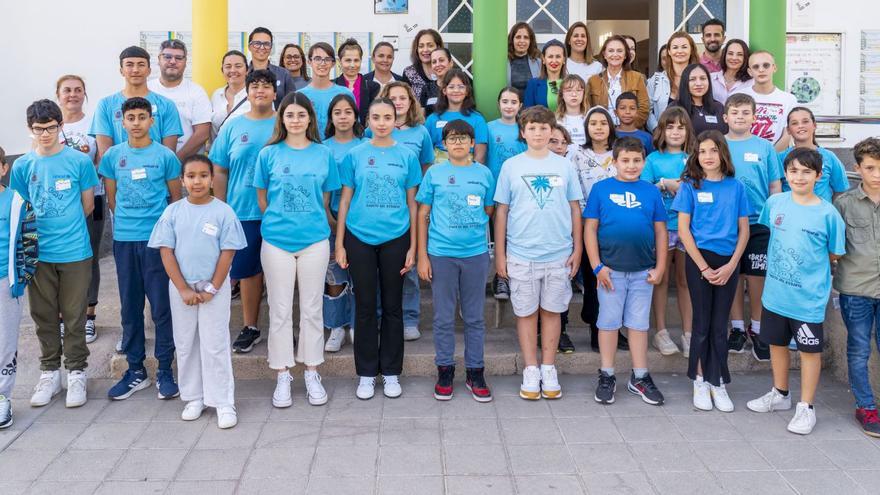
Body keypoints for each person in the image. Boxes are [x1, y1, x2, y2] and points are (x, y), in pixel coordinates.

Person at [747, 147, 846, 435]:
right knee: (776, 344)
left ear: (818, 175)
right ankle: (780, 393)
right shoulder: (775, 203)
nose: (799, 176)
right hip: (775, 294)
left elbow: (834, 254)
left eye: (806, 171)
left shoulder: (828, 214)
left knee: (808, 351)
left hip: (808, 299)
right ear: (786, 174)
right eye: (793, 171)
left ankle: (806, 406)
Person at [254, 92, 341, 408]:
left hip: (315, 240)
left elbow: (328, 198)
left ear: (310, 119)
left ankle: (312, 371)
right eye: (289, 115)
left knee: (312, 307)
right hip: (276, 240)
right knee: (278, 309)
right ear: (282, 119)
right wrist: (279, 220)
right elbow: (262, 198)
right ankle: (282, 375)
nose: (295, 120)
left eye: (300, 115)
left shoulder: (323, 153)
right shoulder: (268, 154)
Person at [148, 155, 246, 429]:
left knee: (214, 343)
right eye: (191, 176)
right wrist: (182, 288)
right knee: (186, 341)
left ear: (212, 179)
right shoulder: (173, 212)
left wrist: (213, 286)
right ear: (182, 181)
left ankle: (223, 401)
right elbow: (166, 252)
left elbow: (228, 253)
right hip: (182, 289)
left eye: (203, 175)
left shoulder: (223, 212)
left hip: (214, 287)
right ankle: (194, 397)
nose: (197, 181)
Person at [12, 100, 98, 409]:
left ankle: (76, 371)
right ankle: (49, 372)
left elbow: (88, 205)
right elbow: (20, 209)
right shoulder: (23, 166)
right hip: (38, 253)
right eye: (39, 129)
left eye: (51, 127)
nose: (45, 134)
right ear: (30, 130)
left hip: (75, 251)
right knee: (44, 315)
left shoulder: (79, 162)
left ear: (61, 126)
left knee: (74, 315)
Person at [494, 106, 583, 400]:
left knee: (553, 310)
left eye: (544, 128)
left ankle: (548, 366)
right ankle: (531, 368)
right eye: (532, 128)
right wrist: (501, 254)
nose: (538, 133)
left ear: (552, 131)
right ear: (523, 132)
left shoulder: (564, 166)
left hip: (558, 253)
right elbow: (502, 211)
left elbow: (574, 208)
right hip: (521, 253)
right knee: (526, 312)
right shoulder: (511, 166)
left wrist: (577, 248)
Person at [335, 98, 421, 400]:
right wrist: (340, 244)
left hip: (396, 237)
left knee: (394, 306)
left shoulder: (407, 156)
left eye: (388, 117)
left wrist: (414, 246)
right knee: (366, 306)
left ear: (396, 119)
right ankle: (367, 373)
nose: (382, 122)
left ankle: (392, 372)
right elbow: (344, 200)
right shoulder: (355, 155)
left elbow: (413, 203)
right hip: (359, 237)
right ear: (367, 120)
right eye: (376, 117)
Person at [100, 97, 182, 401]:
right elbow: (112, 199)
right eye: (130, 117)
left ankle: (164, 370)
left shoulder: (165, 157)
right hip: (124, 240)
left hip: (157, 243)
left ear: (151, 121)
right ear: (123, 122)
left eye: (141, 117)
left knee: (161, 308)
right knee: (130, 307)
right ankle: (135, 370)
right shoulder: (112, 156)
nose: (136, 122)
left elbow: (175, 201)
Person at [417, 120, 495, 402]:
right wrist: (422, 255)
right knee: (443, 316)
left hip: (475, 255)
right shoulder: (435, 174)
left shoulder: (484, 174)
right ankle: (445, 369)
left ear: (473, 143)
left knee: (474, 317)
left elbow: (488, 209)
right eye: (452, 139)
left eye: (464, 138)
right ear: (444, 144)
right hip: (441, 254)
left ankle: (475, 371)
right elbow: (422, 213)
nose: (459, 143)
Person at [586, 137, 667, 406]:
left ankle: (640, 376)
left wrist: (661, 266)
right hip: (610, 271)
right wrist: (597, 266)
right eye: (625, 160)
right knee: (608, 323)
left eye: (637, 160)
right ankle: (607, 374)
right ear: (615, 162)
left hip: (643, 271)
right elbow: (590, 229)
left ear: (644, 162)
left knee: (638, 324)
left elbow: (660, 231)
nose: (631, 165)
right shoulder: (601, 189)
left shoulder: (651, 192)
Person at [673, 131, 750, 412]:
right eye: (702, 151)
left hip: (729, 260)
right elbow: (683, 230)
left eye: (713, 150)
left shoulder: (736, 187)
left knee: (720, 326)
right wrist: (704, 267)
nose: (707, 156)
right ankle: (701, 379)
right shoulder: (690, 186)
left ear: (723, 154)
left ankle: (719, 382)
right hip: (699, 260)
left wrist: (731, 265)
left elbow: (744, 230)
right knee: (702, 324)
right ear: (696, 155)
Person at [210, 69, 277, 354]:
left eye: (266, 86)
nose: (260, 91)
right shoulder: (233, 127)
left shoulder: (284, 123)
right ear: (246, 92)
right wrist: (222, 207)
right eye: (254, 86)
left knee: (279, 272)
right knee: (248, 272)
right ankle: (251, 326)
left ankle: (281, 327)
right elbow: (220, 169)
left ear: (275, 92)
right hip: (242, 211)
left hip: (279, 213)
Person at [373, 82, 436, 340]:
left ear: (411, 102)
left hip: (410, 206)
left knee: (407, 268)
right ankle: (380, 315)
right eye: (392, 98)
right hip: (379, 209)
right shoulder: (373, 130)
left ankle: (410, 318)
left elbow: (426, 167)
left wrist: (421, 201)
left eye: (403, 98)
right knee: (378, 268)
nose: (398, 102)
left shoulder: (421, 133)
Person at [723, 93, 783, 360]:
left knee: (757, 275)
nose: (740, 117)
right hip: (726, 223)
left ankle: (757, 328)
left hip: (760, 221)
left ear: (754, 117)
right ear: (725, 117)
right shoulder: (718, 144)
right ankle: (736, 328)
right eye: (735, 112)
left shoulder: (766, 147)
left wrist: (775, 219)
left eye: (746, 112)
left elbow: (775, 186)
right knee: (733, 275)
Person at [569, 107, 628, 352]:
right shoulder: (577, 154)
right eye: (593, 123)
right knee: (594, 279)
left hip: (618, 225)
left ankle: (616, 328)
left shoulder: (621, 153)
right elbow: (574, 190)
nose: (599, 127)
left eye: (603, 122)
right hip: (589, 225)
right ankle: (595, 328)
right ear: (587, 128)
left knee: (617, 279)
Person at [833, 138, 880, 437]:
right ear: (857, 169)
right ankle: (866, 406)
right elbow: (834, 248)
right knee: (859, 349)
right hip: (856, 290)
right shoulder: (844, 204)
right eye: (871, 168)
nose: (877, 174)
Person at [641, 106, 695, 356]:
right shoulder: (653, 159)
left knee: (685, 281)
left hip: (689, 227)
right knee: (660, 279)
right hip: (662, 227)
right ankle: (661, 332)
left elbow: (702, 185)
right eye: (670, 126)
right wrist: (664, 183)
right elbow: (643, 190)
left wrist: (684, 186)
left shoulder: (694, 156)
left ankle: (688, 333)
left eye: (680, 127)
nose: (675, 131)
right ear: (661, 130)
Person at [57, 75, 103, 345]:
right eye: (67, 91)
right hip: (59, 204)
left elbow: (99, 160)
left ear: (85, 94)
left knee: (89, 257)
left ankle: (88, 317)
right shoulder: (51, 125)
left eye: (78, 90)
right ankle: (64, 317)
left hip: (91, 199)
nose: (72, 95)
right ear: (58, 95)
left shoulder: (93, 123)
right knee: (60, 260)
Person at [323, 94, 365, 352]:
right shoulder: (322, 147)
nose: (342, 117)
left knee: (361, 275)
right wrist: (327, 215)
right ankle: (336, 326)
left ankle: (357, 323)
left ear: (355, 116)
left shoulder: (366, 145)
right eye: (337, 112)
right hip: (330, 217)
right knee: (334, 275)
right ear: (331, 118)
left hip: (361, 221)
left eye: (347, 112)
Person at [0, 146, 38, 428]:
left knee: (5, 342)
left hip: (5, 280)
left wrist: (22, 278)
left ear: (4, 168)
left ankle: (2, 396)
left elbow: (29, 240)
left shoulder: (16, 202)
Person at [91, 46, 182, 157]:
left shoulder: (166, 105)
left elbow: (169, 154)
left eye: (141, 64)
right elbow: (105, 154)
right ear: (121, 71)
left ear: (149, 71)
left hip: (156, 171)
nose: (135, 70)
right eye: (129, 65)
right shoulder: (105, 105)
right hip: (119, 171)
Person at [148, 39, 212, 159]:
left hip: (186, 167)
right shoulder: (147, 90)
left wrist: (174, 162)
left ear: (185, 62)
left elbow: (202, 133)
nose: (173, 61)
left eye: (179, 58)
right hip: (151, 163)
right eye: (167, 57)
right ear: (158, 59)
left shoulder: (196, 92)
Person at [779, 107, 849, 201]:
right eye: (795, 123)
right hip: (790, 213)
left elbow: (840, 190)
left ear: (814, 125)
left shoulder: (829, 157)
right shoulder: (780, 158)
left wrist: (829, 211)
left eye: (805, 121)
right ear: (788, 130)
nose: (800, 126)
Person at [733, 51, 797, 150]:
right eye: (756, 67)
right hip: (745, 155)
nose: (761, 70)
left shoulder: (789, 100)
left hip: (776, 157)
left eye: (766, 65)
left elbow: (787, 134)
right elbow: (734, 131)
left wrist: (770, 157)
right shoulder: (738, 96)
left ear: (774, 68)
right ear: (750, 72)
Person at [424, 69, 489, 164]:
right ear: (444, 91)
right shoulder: (433, 119)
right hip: (439, 171)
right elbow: (426, 153)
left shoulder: (477, 119)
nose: (456, 90)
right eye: (451, 87)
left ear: (467, 91)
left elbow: (480, 156)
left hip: (468, 170)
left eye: (461, 87)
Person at [588, 35, 649, 128]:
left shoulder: (637, 78)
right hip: (602, 132)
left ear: (625, 55)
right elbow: (588, 109)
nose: (615, 54)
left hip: (628, 134)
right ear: (604, 54)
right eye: (611, 50)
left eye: (619, 51)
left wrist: (627, 128)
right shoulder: (593, 80)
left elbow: (644, 109)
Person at [299, 42, 354, 140]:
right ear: (309, 62)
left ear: (333, 63)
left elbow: (353, 127)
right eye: (317, 59)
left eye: (327, 59)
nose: (322, 63)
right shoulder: (300, 95)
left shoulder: (345, 93)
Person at [647, 32, 699, 131]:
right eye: (675, 47)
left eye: (684, 47)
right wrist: (657, 129)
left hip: (694, 136)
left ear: (691, 50)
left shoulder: (700, 79)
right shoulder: (656, 80)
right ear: (669, 52)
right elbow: (647, 111)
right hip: (664, 139)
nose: (679, 51)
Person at [246, 27, 295, 108]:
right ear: (249, 47)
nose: (262, 47)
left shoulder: (283, 74)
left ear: (271, 47)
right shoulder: (242, 73)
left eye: (266, 44)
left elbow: (292, 104)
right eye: (257, 43)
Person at [334, 38, 381, 124]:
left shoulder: (373, 87)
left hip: (364, 134)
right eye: (348, 60)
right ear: (339, 62)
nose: (352, 65)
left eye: (356, 60)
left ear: (361, 60)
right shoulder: (332, 85)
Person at [674, 63, 728, 135]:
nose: (698, 83)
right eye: (692, 79)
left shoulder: (719, 107)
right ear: (685, 82)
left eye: (703, 78)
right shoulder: (675, 108)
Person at [211, 50, 251, 136]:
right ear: (222, 70)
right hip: (219, 148)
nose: (233, 70)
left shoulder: (255, 94)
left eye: (238, 66)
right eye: (228, 66)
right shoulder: (217, 95)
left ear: (247, 70)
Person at [402, 29, 443, 112]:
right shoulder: (409, 73)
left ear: (438, 47)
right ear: (416, 49)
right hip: (417, 121)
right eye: (421, 46)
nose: (425, 50)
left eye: (430, 45)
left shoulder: (446, 71)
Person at [524, 39, 568, 111]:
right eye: (550, 56)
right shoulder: (533, 84)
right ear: (543, 59)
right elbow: (527, 114)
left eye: (558, 56)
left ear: (564, 60)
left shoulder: (572, 83)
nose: (554, 61)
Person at [710, 39, 753, 104]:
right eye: (730, 53)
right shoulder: (710, 79)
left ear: (745, 58)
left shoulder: (751, 83)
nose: (734, 58)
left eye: (740, 54)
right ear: (724, 55)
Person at [506, 22, 542, 93]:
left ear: (530, 41)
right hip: (510, 103)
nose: (522, 41)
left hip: (533, 104)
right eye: (518, 37)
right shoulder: (503, 62)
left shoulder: (538, 62)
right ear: (512, 39)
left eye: (526, 37)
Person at [555, 75, 589, 146]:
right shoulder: (555, 121)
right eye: (569, 90)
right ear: (562, 95)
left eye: (578, 90)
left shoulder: (591, 118)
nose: (574, 94)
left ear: (584, 94)